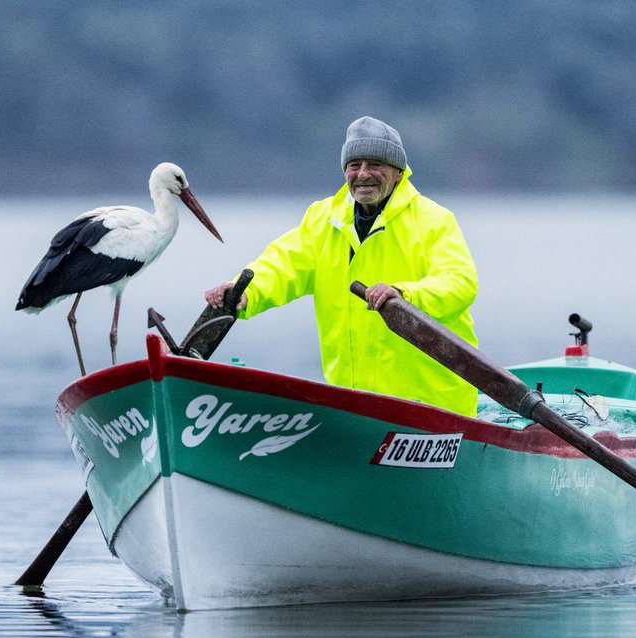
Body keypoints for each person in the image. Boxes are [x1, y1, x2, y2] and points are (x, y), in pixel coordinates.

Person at [205, 116, 480, 417]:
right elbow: (281, 265)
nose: (363, 174)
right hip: (355, 410)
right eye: (354, 165)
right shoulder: (322, 219)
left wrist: (405, 295)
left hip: (436, 410)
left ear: (399, 172)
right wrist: (246, 293)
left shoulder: (434, 221)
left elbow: (459, 283)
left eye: (375, 164)